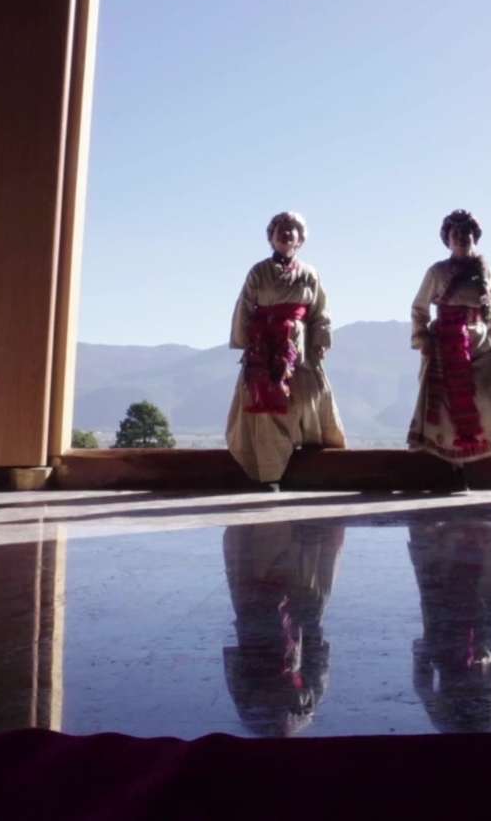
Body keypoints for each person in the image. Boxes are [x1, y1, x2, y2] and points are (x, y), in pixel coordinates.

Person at [407, 210, 491, 490]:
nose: (462, 238)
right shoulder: (437, 272)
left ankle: (484, 451)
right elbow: (419, 308)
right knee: (447, 405)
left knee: (483, 395)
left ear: (475, 237)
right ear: (448, 240)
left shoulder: (484, 270)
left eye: (467, 234)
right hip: (445, 343)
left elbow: (490, 308)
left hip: (479, 339)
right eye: (456, 234)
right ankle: (453, 467)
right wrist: (423, 339)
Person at [225, 212, 346, 489]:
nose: (286, 233)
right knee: (267, 407)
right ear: (271, 237)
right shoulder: (258, 272)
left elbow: (320, 311)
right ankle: (270, 474)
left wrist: (320, 341)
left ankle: (316, 456)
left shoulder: (310, 273)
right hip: (264, 347)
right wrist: (247, 344)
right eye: (280, 229)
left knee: (309, 398)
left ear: (301, 239)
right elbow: (244, 308)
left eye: (292, 229)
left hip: (301, 348)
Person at [222, 521, 345, 737]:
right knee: (280, 540)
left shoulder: (296, 714)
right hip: (273, 611)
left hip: (280, 610)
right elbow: (236, 664)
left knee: (289, 540)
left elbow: (318, 659)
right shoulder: (268, 715)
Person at [409, 520, 491, 732]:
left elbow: (424, 689)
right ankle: (467, 540)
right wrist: (422, 655)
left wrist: (423, 655)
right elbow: (423, 688)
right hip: (470, 657)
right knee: (471, 598)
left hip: (461, 658)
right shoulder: (473, 727)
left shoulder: (455, 726)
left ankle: (466, 540)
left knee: (458, 596)